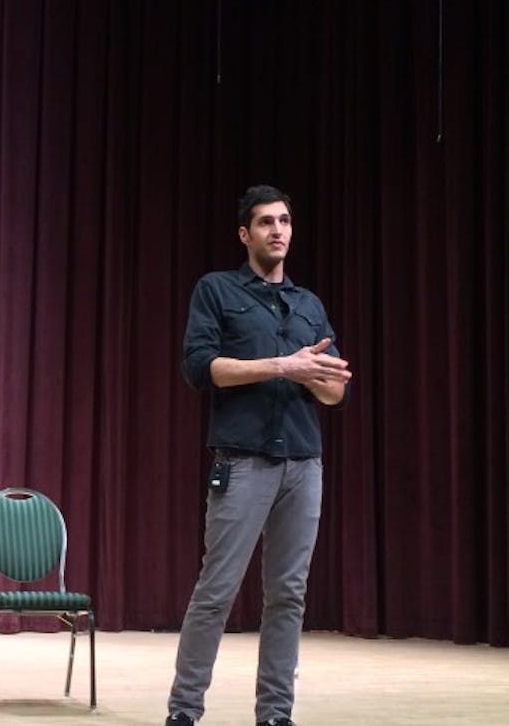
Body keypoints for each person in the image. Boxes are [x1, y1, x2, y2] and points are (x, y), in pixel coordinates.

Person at [165, 185, 352, 726]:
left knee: (289, 594)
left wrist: (319, 378)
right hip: (242, 460)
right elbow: (201, 369)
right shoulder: (217, 290)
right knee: (217, 590)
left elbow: (338, 393)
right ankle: (184, 710)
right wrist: (282, 366)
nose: (278, 230)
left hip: (304, 462)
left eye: (286, 221)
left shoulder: (309, 304)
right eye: (266, 222)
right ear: (246, 234)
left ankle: (275, 714)